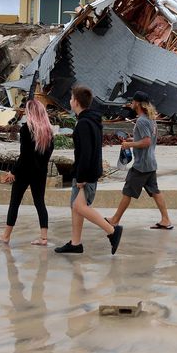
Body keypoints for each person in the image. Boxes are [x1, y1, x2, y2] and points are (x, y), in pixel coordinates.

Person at [55, 85, 123, 255]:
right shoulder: (90, 120)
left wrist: (82, 177)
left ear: (76, 102)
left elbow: (86, 152)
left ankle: (112, 231)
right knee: (75, 206)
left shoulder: (84, 124)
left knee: (80, 206)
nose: (70, 101)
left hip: (86, 174)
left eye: (71, 98)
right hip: (85, 172)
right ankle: (76, 243)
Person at [106, 91, 173, 230]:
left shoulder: (142, 120)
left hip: (141, 165)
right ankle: (166, 220)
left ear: (137, 103)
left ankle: (114, 220)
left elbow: (147, 142)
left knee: (127, 191)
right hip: (150, 162)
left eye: (133, 101)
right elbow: (147, 138)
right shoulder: (151, 119)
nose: (131, 103)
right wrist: (133, 139)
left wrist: (128, 144)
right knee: (155, 191)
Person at [0, 99, 54, 246]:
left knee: (15, 203)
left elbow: (25, 155)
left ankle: (6, 235)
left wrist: (13, 171)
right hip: (40, 172)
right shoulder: (48, 132)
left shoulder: (26, 129)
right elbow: (47, 155)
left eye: (27, 111)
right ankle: (44, 238)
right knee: (40, 203)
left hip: (25, 171)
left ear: (31, 113)